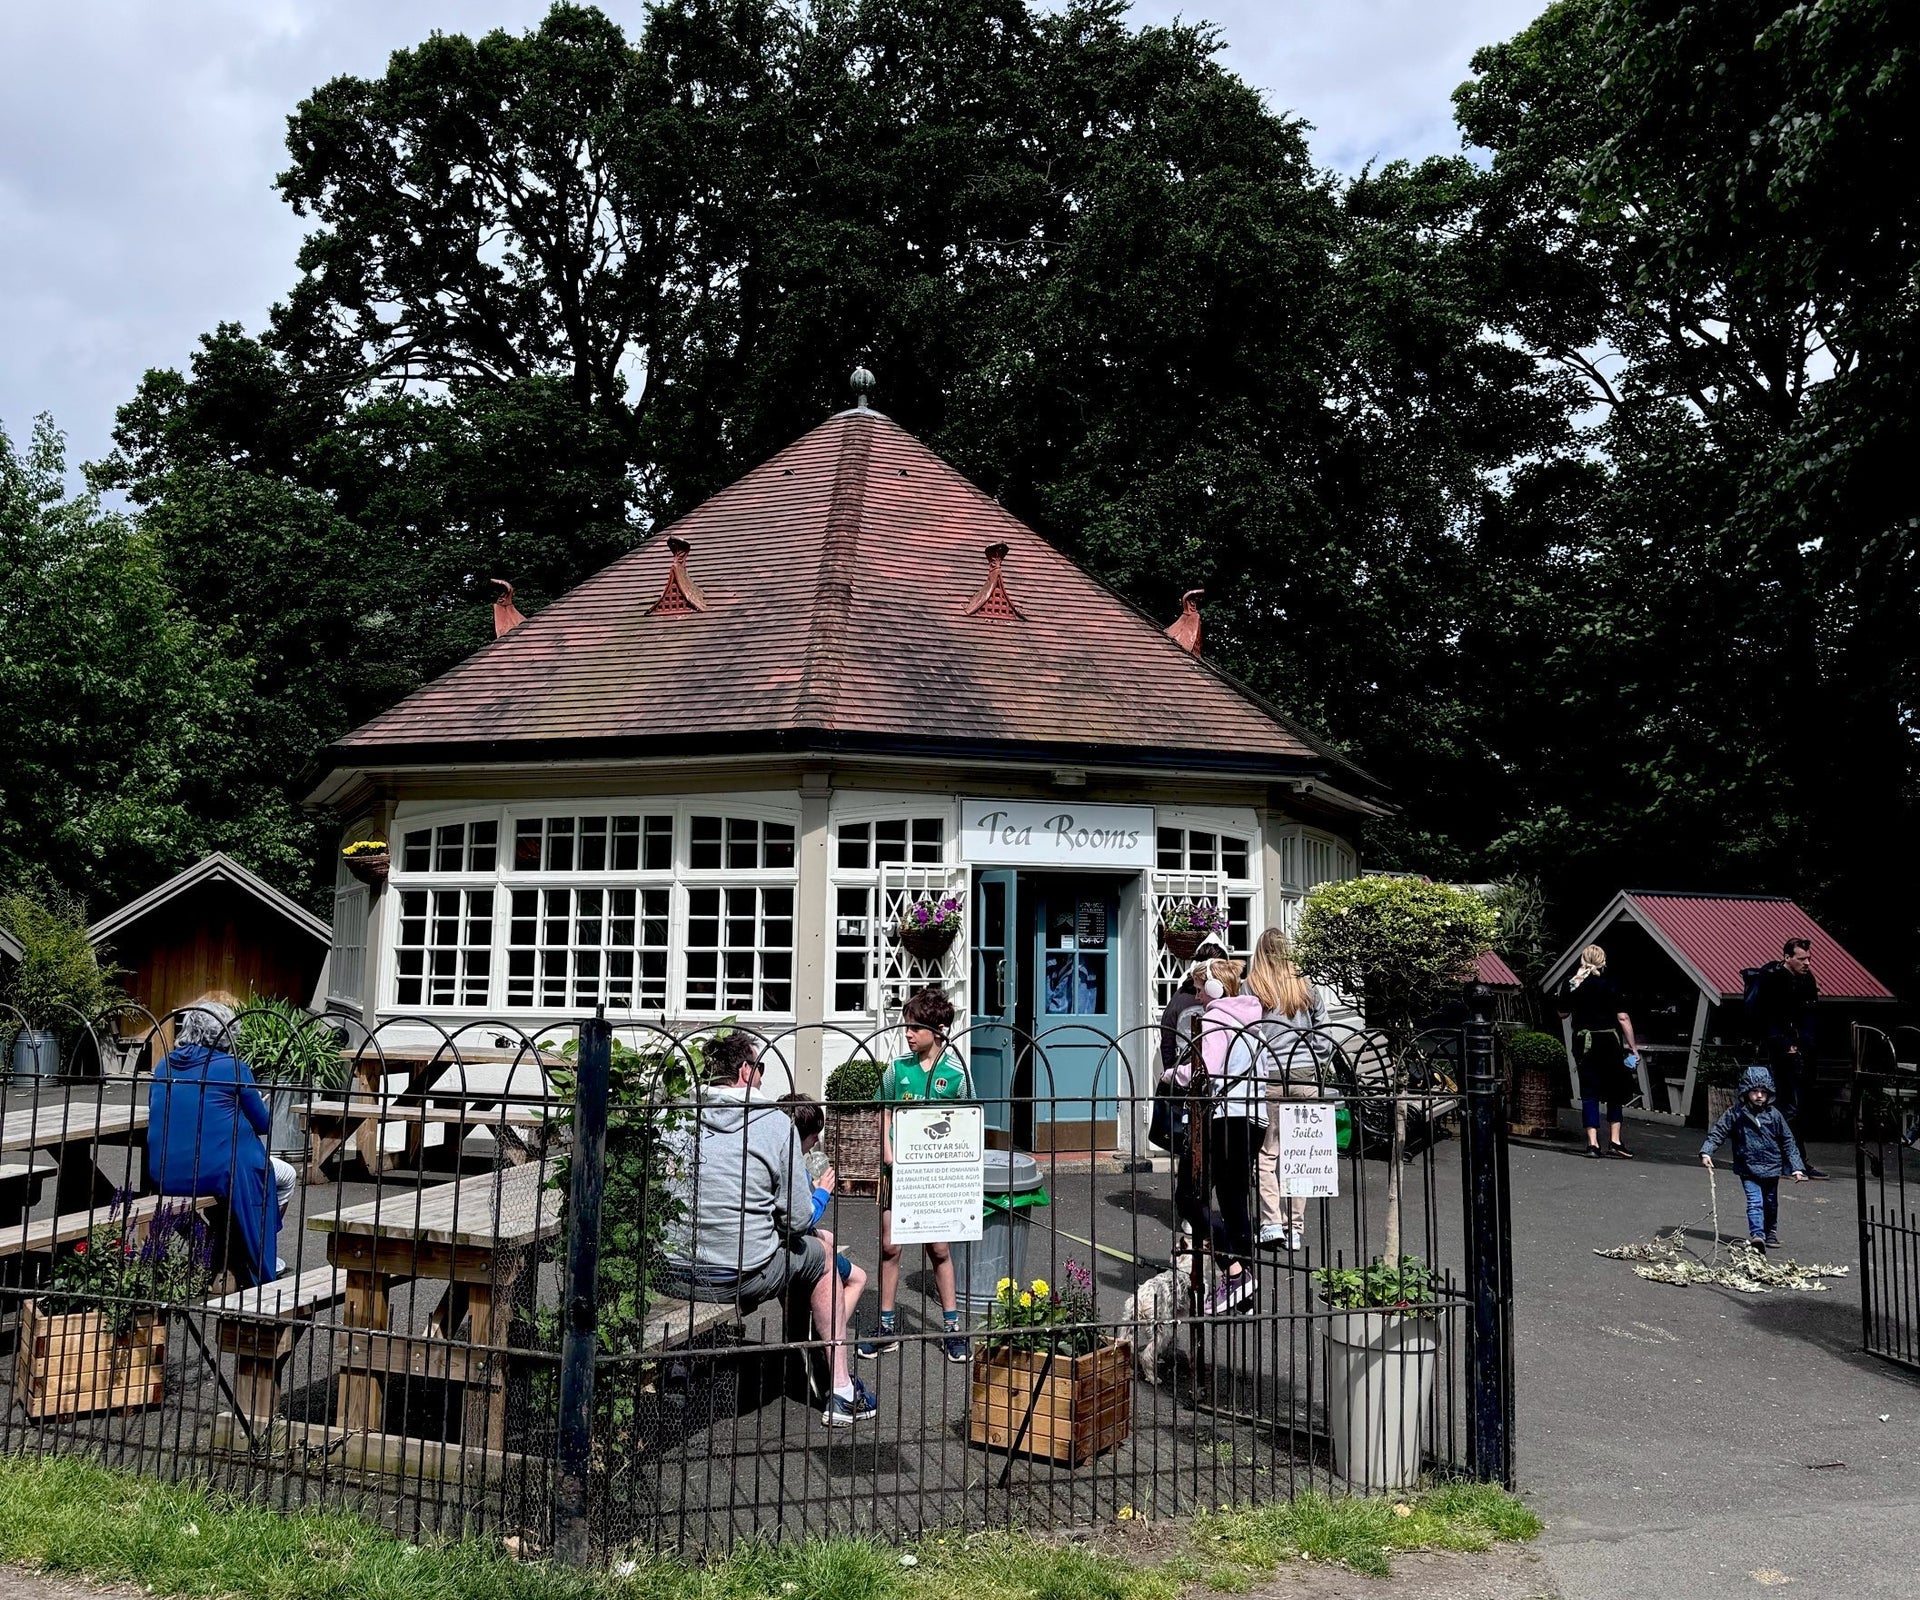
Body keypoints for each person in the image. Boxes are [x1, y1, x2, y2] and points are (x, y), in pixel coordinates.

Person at [657, 1032, 875, 1427]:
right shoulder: (774, 1124)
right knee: (823, 1256)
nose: (761, 1079)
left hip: (671, 1270)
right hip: (737, 1276)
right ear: (744, 1070)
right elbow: (796, 1220)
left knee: (803, 1248)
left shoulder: (677, 1116)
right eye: (760, 1069)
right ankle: (841, 1389)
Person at [147, 993, 298, 1287]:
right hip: (221, 1173)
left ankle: (223, 1249)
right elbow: (264, 1123)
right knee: (286, 1176)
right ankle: (256, 1246)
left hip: (165, 1172)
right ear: (225, 1034)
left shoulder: (164, 1066)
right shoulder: (232, 1067)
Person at [860, 986, 973, 1363]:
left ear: (939, 1030)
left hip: (937, 1179)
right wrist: (887, 1151)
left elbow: (966, 1121)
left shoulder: (955, 1075)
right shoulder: (897, 1069)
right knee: (890, 1246)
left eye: (914, 1028)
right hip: (898, 1173)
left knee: (939, 1249)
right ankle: (887, 1325)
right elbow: (885, 1111)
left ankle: (953, 1327)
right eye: (905, 1027)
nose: (907, 1034)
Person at [1174, 957, 1265, 1313]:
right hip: (1254, 1119)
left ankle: (1233, 1270)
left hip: (1225, 1118)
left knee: (1188, 1197)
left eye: (1199, 988)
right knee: (1234, 1202)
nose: (1197, 996)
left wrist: (1173, 1075)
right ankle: (1245, 1294)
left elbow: (1204, 1070)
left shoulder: (1215, 1018)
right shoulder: (1252, 1018)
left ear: (1214, 988)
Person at [1242, 928, 1330, 1251]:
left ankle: (1271, 1223)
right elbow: (1323, 1025)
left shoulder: (1252, 985)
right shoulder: (1304, 984)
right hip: (1305, 1074)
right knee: (1300, 1153)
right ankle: (1295, 1227)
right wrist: (1317, 1056)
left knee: (1267, 1154)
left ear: (1260, 952)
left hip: (1272, 1076)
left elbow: (1247, 1032)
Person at [776, 1092, 871, 1317]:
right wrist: (822, 1193)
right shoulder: (793, 1166)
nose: (817, 1141)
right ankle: (829, 1335)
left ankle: (811, 1313)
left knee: (827, 1236)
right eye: (813, 1134)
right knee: (859, 1278)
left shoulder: (778, 1157)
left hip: (778, 1236)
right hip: (789, 1242)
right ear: (800, 1135)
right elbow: (800, 1218)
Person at [1701, 1064, 1807, 1250]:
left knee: (1771, 1203)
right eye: (1755, 1091)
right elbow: (1718, 1132)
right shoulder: (1735, 1114)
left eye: (1763, 1092)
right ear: (1746, 1092)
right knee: (1754, 1201)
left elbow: (1788, 1141)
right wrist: (1707, 1151)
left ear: (1769, 1093)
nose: (1759, 1096)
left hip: (1772, 1167)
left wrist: (1797, 1167)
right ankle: (1757, 1234)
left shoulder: (1774, 1115)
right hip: (1748, 1167)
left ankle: (1770, 1232)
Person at [1747, 937, 1827, 1178]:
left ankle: (1797, 1159)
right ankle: (1789, 1160)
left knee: (1798, 1107)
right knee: (1787, 1106)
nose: (1807, 963)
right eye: (1802, 958)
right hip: (1780, 1051)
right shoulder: (1773, 980)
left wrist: (1807, 1043)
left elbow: (1810, 1013)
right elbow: (1767, 1018)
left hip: (1802, 1048)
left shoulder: (1806, 979)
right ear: (1787, 957)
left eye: (1808, 958)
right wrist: (1784, 1044)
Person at [1556, 945, 1642, 1159]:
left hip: (1584, 1041)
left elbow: (1562, 1013)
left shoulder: (1572, 983)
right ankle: (1615, 1141)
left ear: (1583, 960)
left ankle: (1593, 1143)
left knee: (1589, 1092)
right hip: (1609, 1041)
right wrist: (1633, 1047)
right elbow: (1623, 1017)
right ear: (1603, 961)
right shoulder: (1611, 983)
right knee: (1615, 1091)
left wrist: (1573, 988)